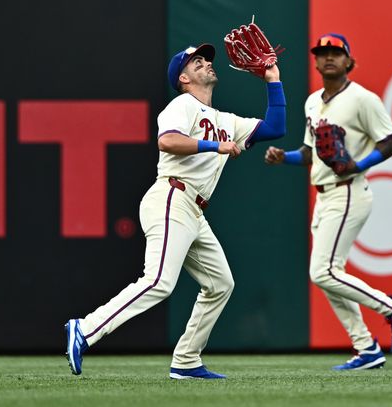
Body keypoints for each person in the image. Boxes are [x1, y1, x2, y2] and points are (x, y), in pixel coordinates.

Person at [65, 42, 286, 379]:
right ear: (183, 77)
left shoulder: (226, 120)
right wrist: (215, 145)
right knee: (158, 281)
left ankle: (186, 360)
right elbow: (167, 141)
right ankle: (85, 329)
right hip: (172, 196)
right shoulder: (181, 105)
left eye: (207, 60)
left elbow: (275, 128)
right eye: (197, 62)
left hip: (194, 212)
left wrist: (272, 78)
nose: (206, 65)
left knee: (220, 284)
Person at [264, 33, 392, 371]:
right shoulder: (311, 102)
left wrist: (359, 165)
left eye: (336, 52)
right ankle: (366, 349)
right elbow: (309, 152)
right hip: (324, 195)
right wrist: (283, 157)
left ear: (349, 60)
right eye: (322, 53)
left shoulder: (363, 99)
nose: (328, 58)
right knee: (331, 275)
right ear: (315, 61)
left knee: (323, 272)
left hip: (349, 190)